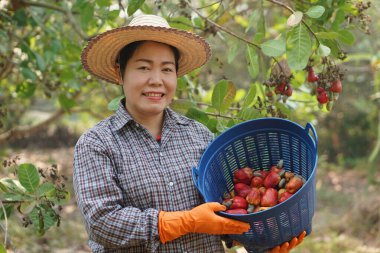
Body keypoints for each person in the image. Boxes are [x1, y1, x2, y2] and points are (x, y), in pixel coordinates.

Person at [73, 14, 305, 253]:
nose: (156, 80)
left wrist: (261, 239)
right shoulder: (97, 143)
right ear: (120, 73)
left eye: (166, 69)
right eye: (143, 67)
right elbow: (102, 222)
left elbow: (222, 210)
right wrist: (186, 221)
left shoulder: (198, 135)